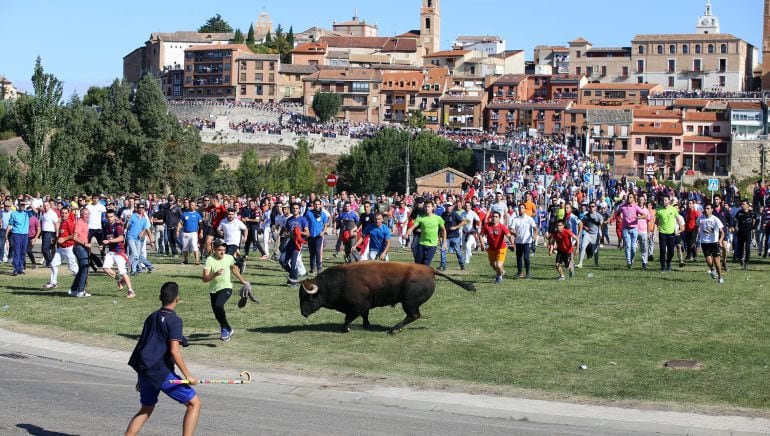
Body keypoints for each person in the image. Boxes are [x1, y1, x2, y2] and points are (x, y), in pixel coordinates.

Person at [125, 282, 201, 436]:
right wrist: (188, 375)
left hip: (145, 370)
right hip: (160, 372)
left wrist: (142, 376)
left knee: (147, 407)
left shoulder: (152, 316)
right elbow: (174, 350)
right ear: (177, 299)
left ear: (160, 297)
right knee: (194, 403)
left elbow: (146, 344)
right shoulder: (175, 320)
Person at [202, 239, 251, 341]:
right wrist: (214, 274)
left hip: (226, 288)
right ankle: (228, 328)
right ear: (214, 249)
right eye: (219, 249)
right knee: (217, 314)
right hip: (213, 290)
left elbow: (234, 269)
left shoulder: (229, 258)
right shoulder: (209, 260)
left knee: (218, 305)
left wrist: (243, 281)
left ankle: (224, 329)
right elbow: (205, 279)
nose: (222, 252)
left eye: (224, 249)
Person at [101, 209, 135, 298]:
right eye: (108, 217)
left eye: (111, 216)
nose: (109, 218)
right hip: (111, 251)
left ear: (115, 216)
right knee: (105, 268)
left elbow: (121, 238)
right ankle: (120, 280)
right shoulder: (106, 226)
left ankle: (131, 291)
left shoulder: (118, 225)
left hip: (119, 251)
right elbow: (106, 239)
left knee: (123, 272)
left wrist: (109, 241)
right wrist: (103, 246)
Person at [405, 200, 446, 267]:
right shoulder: (420, 218)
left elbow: (444, 230)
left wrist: (444, 242)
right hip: (422, 243)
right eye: (425, 207)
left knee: (426, 264)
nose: (427, 208)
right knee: (418, 263)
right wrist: (407, 233)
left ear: (432, 208)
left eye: (428, 207)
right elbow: (412, 227)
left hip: (432, 245)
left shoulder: (438, 218)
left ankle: (424, 276)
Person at [46, 206, 79, 289]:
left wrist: (64, 239)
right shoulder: (63, 222)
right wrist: (56, 239)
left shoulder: (69, 223)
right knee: (53, 264)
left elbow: (74, 235)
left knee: (73, 267)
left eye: (65, 213)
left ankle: (82, 280)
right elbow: (62, 235)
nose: (63, 214)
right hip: (61, 248)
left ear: (68, 213)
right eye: (62, 213)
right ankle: (53, 282)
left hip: (69, 248)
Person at [615, 193, 647, 269]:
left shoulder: (635, 207)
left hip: (634, 229)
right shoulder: (623, 207)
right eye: (628, 197)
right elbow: (617, 213)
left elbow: (644, 215)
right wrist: (619, 219)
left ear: (633, 199)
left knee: (633, 247)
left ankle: (631, 260)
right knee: (627, 246)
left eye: (631, 197)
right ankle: (628, 262)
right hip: (625, 229)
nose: (629, 198)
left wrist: (638, 217)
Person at [481, 210, 514, 284]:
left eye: (496, 217)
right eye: (493, 216)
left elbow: (509, 235)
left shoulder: (502, 227)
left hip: (501, 248)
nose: (494, 218)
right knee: (493, 264)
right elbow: (481, 235)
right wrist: (482, 244)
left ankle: (499, 277)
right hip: (491, 249)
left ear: (499, 218)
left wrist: (512, 243)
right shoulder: (487, 225)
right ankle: (501, 272)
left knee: (498, 265)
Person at [698, 203, 725, 284]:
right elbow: (696, 227)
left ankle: (720, 277)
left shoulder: (715, 219)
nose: (706, 210)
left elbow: (722, 232)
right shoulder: (700, 218)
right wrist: (695, 238)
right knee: (709, 261)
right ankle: (712, 269)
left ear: (712, 210)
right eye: (705, 208)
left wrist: (720, 241)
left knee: (717, 262)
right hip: (704, 242)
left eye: (708, 208)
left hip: (714, 243)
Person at [510, 203, 537, 278]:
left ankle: (528, 273)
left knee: (526, 257)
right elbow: (511, 229)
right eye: (519, 208)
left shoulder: (529, 218)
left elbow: (535, 228)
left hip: (527, 241)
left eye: (522, 208)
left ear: (525, 209)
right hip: (518, 241)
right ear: (518, 209)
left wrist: (534, 236)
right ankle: (520, 273)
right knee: (518, 257)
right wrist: (513, 232)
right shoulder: (515, 219)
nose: (521, 209)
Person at [439, 201, 466, 271]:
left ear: (452, 206)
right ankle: (443, 265)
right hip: (446, 237)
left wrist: (456, 227)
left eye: (450, 206)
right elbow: (441, 225)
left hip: (455, 236)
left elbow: (463, 221)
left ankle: (462, 265)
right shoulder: (443, 215)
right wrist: (440, 235)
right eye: (447, 206)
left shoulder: (455, 214)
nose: (448, 207)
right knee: (443, 250)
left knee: (458, 251)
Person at [654, 196, 679, 272]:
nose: (664, 201)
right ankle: (662, 267)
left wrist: (678, 229)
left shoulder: (674, 209)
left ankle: (668, 262)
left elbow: (678, 220)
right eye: (663, 200)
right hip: (662, 233)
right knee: (662, 251)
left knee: (671, 252)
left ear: (669, 201)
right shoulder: (659, 211)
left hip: (671, 233)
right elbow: (656, 223)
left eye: (665, 200)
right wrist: (654, 233)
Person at [304, 199, 329, 274]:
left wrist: (323, 232)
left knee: (318, 252)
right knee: (312, 253)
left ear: (321, 205)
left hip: (319, 236)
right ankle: (312, 268)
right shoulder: (308, 213)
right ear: (313, 205)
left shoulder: (323, 214)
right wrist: (306, 233)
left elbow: (326, 225)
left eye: (318, 204)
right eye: (316, 204)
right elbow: (304, 223)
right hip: (311, 235)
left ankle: (319, 268)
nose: (317, 205)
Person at [6, 201, 30, 276]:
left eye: (24, 205)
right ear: (18, 205)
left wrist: (29, 203)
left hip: (25, 234)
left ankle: (20, 268)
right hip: (16, 234)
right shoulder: (14, 214)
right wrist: (6, 234)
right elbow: (10, 224)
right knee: (17, 251)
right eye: (21, 205)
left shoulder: (27, 213)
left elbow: (36, 211)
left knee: (23, 252)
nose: (22, 206)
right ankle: (15, 269)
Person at [577, 202, 603, 268]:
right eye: (590, 206)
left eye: (593, 206)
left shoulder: (598, 216)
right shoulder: (586, 216)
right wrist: (585, 227)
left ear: (596, 207)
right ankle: (580, 263)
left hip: (595, 235)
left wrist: (600, 233)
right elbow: (581, 223)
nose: (592, 208)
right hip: (588, 234)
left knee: (595, 251)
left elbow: (601, 224)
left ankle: (596, 263)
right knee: (583, 247)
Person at [733, 199, 756, 269]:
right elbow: (735, 220)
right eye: (742, 204)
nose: (742, 205)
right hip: (740, 233)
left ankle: (746, 262)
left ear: (747, 205)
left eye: (743, 204)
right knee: (740, 248)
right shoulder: (739, 213)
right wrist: (735, 226)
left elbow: (756, 220)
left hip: (748, 233)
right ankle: (741, 260)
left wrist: (753, 227)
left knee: (747, 248)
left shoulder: (752, 213)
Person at [178, 201, 203, 266]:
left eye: (194, 205)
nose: (193, 206)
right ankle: (185, 260)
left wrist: (201, 232)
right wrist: (177, 230)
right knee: (185, 247)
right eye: (192, 205)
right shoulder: (184, 214)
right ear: (189, 205)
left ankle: (197, 260)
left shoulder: (197, 214)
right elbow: (180, 223)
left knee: (195, 246)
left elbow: (201, 224)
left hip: (194, 233)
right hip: (185, 233)